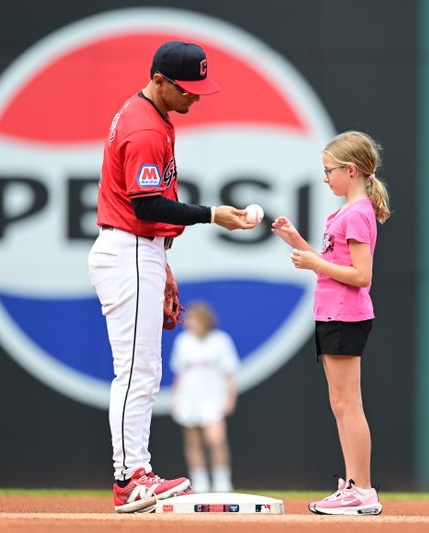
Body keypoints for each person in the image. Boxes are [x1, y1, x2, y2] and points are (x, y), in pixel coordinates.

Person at [87, 40, 256, 514]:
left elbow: (146, 213)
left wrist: (161, 262)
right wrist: (211, 214)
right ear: (159, 80)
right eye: (188, 89)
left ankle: (135, 472)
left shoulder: (152, 114)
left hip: (140, 251)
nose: (195, 97)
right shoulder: (143, 127)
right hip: (129, 249)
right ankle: (129, 477)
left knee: (146, 371)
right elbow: (145, 205)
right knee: (137, 373)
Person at [271, 131, 390, 516]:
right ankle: (354, 484)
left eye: (329, 171)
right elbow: (330, 263)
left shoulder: (356, 213)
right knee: (340, 403)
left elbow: (361, 275)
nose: (326, 178)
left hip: (345, 315)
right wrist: (297, 242)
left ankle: (363, 489)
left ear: (351, 170)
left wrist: (314, 263)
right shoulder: (344, 212)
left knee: (348, 403)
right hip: (332, 314)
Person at [170, 302, 239, 493]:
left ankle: (222, 481)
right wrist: (176, 399)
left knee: (216, 440)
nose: (189, 323)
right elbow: (179, 374)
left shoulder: (221, 341)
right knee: (193, 442)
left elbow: (229, 373)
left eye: (193, 319)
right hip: (189, 399)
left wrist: (230, 399)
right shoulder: (183, 341)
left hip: (213, 399)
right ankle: (199, 481)